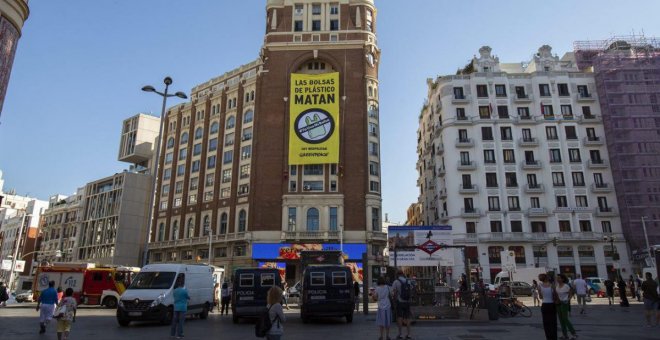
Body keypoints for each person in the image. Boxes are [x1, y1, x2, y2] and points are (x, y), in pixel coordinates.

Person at [556, 274, 577, 340]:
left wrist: (568, 300)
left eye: (559, 278)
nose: (558, 279)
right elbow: (557, 295)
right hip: (559, 304)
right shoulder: (557, 286)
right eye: (557, 278)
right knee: (561, 320)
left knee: (565, 319)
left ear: (562, 279)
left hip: (565, 303)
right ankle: (565, 335)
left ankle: (574, 334)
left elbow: (571, 293)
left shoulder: (566, 286)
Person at [392, 270, 412, 340]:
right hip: (407, 302)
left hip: (400, 302)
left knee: (399, 317)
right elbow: (410, 291)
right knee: (408, 317)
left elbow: (394, 293)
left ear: (397, 275)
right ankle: (409, 334)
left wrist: (394, 300)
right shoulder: (408, 281)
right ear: (403, 274)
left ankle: (400, 334)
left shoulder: (396, 282)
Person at [537, 273, 557, 340]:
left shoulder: (539, 286)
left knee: (546, 323)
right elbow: (555, 295)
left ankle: (548, 337)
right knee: (553, 322)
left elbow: (541, 297)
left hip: (544, 305)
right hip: (551, 304)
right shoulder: (552, 285)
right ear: (547, 278)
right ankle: (554, 337)